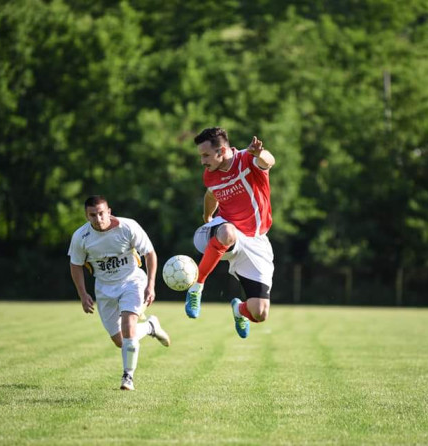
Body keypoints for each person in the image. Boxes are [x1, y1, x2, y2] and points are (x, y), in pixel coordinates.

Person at [68, 195, 170, 391]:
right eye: (93, 215)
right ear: (86, 216)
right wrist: (82, 294)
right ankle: (150, 327)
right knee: (120, 341)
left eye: (101, 213)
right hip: (104, 288)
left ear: (109, 211)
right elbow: (75, 264)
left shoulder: (128, 227)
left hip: (132, 281)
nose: (98, 219)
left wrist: (150, 285)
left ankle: (128, 377)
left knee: (129, 325)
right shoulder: (81, 236)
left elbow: (150, 253)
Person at [185, 127, 275, 339]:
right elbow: (211, 195)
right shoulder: (210, 174)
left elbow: (269, 161)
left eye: (206, 155)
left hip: (255, 241)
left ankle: (239, 310)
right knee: (227, 231)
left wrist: (260, 153)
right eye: (201, 156)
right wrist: (207, 217)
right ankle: (196, 288)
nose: (202, 161)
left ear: (222, 151)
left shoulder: (247, 159)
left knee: (260, 312)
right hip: (222, 230)